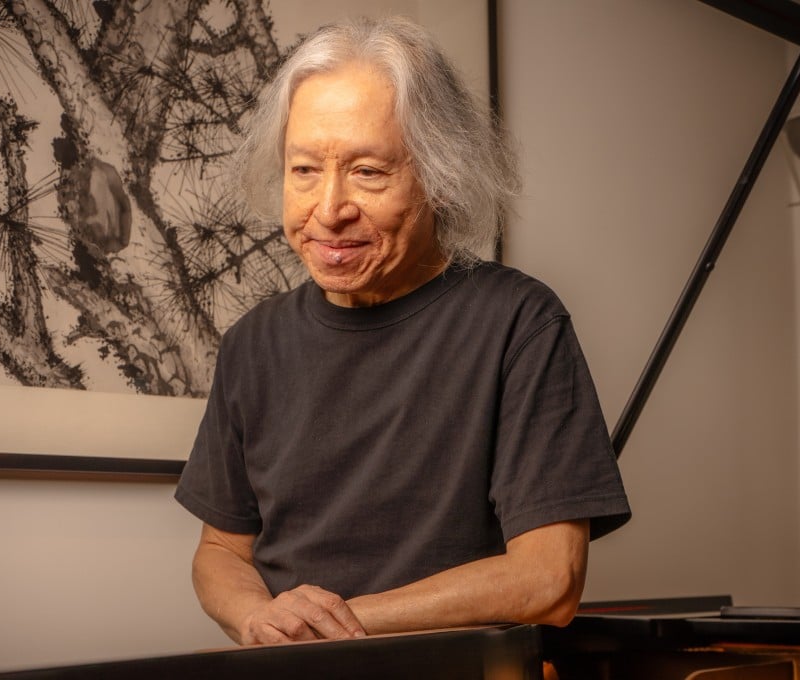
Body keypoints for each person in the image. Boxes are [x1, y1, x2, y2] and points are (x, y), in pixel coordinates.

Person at [175, 15, 630, 646]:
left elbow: (548, 579)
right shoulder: (252, 344)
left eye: (368, 171)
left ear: (440, 178)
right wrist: (257, 615)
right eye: (304, 170)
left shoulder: (519, 321)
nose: (328, 210)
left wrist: (340, 624)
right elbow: (221, 552)